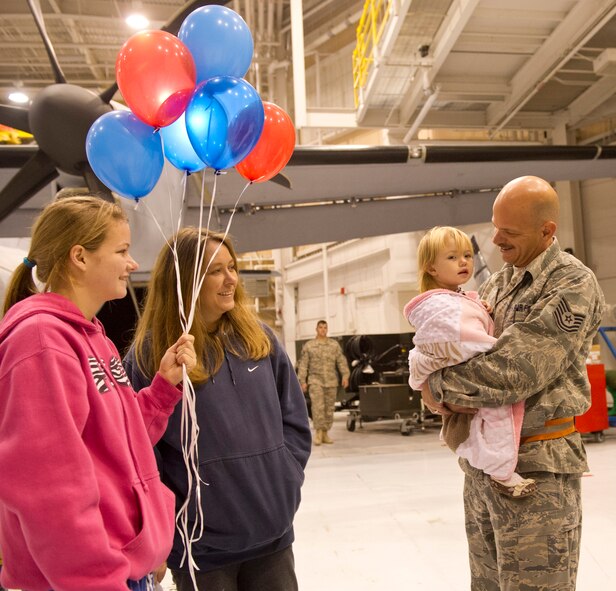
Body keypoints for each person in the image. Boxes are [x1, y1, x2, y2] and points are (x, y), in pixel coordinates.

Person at [0, 196, 196, 591]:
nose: (132, 263)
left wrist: (161, 389)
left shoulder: (92, 338)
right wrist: (99, 579)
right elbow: (50, 489)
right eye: (122, 251)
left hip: (120, 566)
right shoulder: (42, 342)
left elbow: (117, 441)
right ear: (80, 257)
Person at [422, 176, 605, 590]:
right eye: (495, 224)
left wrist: (436, 387)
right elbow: (458, 348)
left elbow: (514, 371)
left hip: (537, 471)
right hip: (484, 467)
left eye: (510, 232)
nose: (495, 238)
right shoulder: (499, 281)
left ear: (547, 231)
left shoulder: (569, 283)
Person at [123, 227, 311, 591]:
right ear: (185, 281)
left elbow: (295, 422)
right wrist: (164, 527)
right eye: (215, 271)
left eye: (232, 267)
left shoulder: (259, 339)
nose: (230, 280)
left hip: (271, 533)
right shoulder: (151, 356)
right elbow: (142, 453)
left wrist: (283, 480)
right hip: (200, 547)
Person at [404, 226, 536, 498]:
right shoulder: (438, 305)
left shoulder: (459, 297)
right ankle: (501, 470)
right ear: (431, 268)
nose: (464, 261)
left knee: (481, 419)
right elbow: (457, 338)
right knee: (497, 415)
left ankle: (472, 447)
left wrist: (478, 307)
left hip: (455, 381)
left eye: (467, 255)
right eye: (452, 257)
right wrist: (494, 347)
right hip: (460, 373)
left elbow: (467, 315)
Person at [297, 320, 350, 445]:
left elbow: (341, 361)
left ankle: (326, 433)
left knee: (329, 408)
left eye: (325, 327)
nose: (323, 330)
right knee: (317, 407)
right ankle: (318, 433)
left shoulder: (334, 345)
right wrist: (302, 381)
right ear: (316, 329)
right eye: (320, 327)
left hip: (331, 381)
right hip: (315, 381)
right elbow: (303, 364)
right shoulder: (309, 346)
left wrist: (345, 376)